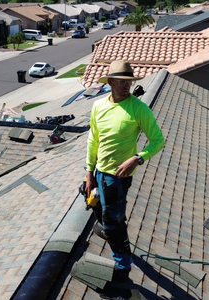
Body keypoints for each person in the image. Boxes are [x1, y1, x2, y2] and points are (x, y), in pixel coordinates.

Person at [85, 60, 165, 281]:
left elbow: (158, 141)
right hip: (99, 172)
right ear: (110, 82)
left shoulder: (139, 109)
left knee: (114, 222)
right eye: (121, 82)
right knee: (92, 200)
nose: (125, 86)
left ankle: (122, 266)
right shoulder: (98, 106)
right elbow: (93, 140)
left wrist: (137, 159)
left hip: (118, 179)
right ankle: (106, 225)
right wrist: (89, 173)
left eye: (128, 82)